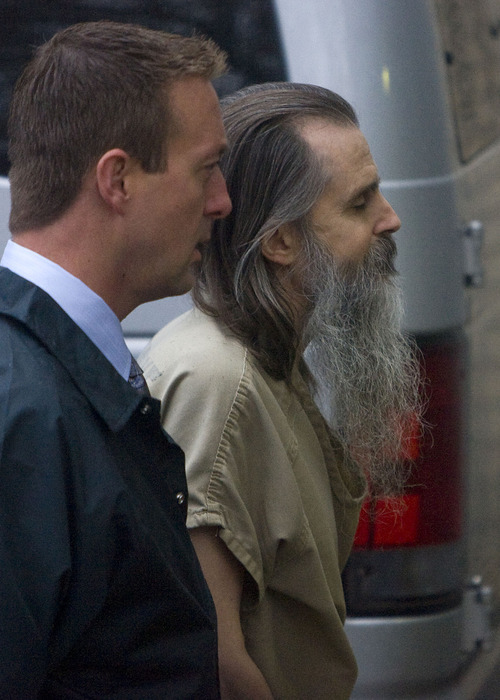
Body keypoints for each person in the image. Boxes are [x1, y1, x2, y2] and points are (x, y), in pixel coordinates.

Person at [141, 82, 423, 699]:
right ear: (281, 241)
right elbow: (213, 659)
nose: (389, 219)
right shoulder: (217, 383)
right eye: (359, 204)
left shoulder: (271, 361)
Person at [0, 21, 232, 699]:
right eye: (206, 169)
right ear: (118, 180)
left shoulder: (52, 378)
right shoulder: (26, 413)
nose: (222, 201)